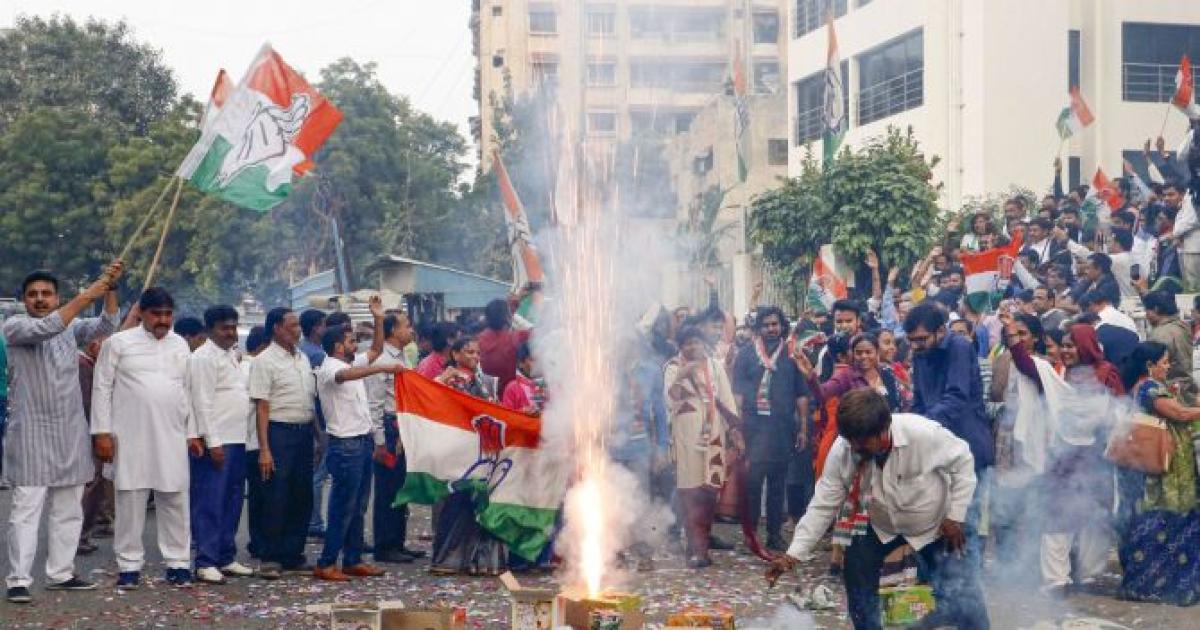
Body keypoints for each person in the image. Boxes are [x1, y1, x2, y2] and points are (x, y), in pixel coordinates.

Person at [766, 390, 988, 630]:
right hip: (880, 524)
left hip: (933, 524)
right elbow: (822, 504)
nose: (855, 448)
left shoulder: (922, 434)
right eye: (851, 440)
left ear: (884, 429)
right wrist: (793, 554)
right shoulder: (843, 450)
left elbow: (963, 461)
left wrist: (955, 516)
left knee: (964, 593)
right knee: (857, 579)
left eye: (862, 442)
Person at [3, 262, 122, 604]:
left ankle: (61, 573)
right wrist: (88, 294)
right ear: (24, 300)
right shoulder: (15, 326)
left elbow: (107, 325)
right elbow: (49, 327)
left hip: (69, 431)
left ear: (57, 297)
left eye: (47, 294)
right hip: (30, 433)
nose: (40, 299)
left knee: (69, 508)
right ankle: (18, 580)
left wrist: (111, 288)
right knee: (26, 511)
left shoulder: (71, 328)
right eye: (33, 294)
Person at [91, 287, 199, 590]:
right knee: (130, 498)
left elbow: (187, 390)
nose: (163, 320)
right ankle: (129, 566)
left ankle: (178, 564)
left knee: (175, 498)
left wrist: (193, 433)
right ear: (142, 314)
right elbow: (102, 387)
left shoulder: (180, 344)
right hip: (130, 434)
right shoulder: (119, 343)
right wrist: (101, 432)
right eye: (156, 314)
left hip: (172, 434)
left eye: (168, 314)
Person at [314, 297, 400, 582]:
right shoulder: (328, 367)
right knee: (343, 506)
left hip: (361, 442)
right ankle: (327, 562)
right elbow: (348, 374)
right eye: (351, 341)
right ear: (338, 346)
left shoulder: (350, 361)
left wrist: (378, 319)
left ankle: (352, 559)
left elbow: (376, 350)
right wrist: (383, 368)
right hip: (345, 444)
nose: (356, 345)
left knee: (359, 505)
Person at [1117, 341, 1200, 605]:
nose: (1168, 366)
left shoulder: (1151, 386)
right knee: (1161, 525)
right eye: (1164, 362)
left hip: (1165, 472)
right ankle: (1158, 586)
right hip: (1159, 478)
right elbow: (1180, 414)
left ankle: (1162, 585)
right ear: (1149, 365)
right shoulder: (1148, 388)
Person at [186, 305, 255, 584]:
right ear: (210, 330)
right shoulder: (203, 358)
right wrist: (212, 442)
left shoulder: (231, 355)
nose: (230, 333)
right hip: (217, 441)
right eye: (224, 328)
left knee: (233, 500)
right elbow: (201, 402)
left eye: (233, 327)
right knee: (210, 501)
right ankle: (205, 561)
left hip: (237, 438)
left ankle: (226, 556)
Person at [732, 306, 810, 551]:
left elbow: (801, 394)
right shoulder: (745, 355)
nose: (771, 329)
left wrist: (803, 428)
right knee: (752, 484)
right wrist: (736, 429)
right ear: (758, 328)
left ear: (782, 326)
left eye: (775, 324)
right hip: (753, 428)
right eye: (766, 325)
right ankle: (751, 536)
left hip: (782, 428)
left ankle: (774, 535)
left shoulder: (792, 354)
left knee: (778, 484)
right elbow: (737, 395)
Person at [249, 307, 318, 580]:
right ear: (277, 328)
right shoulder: (264, 361)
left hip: (303, 431)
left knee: (302, 493)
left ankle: (293, 553)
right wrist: (265, 449)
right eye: (292, 326)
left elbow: (308, 400)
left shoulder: (302, 358)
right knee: (276, 494)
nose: (298, 330)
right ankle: (270, 556)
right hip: (278, 432)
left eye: (298, 325)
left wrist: (318, 436)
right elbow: (262, 406)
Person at [430, 337, 506, 575]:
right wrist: (444, 379)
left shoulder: (484, 382)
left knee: (479, 505)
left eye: (477, 353)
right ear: (455, 354)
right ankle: (447, 559)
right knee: (455, 504)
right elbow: (431, 396)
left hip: (482, 451)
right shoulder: (448, 380)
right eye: (469, 352)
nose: (475, 357)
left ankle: (478, 561)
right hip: (456, 450)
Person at [664, 325, 737, 568]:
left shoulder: (715, 366)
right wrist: (683, 375)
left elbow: (726, 399)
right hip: (686, 439)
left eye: (696, 342)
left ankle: (702, 546)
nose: (692, 347)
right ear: (680, 346)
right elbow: (670, 400)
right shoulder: (673, 367)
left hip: (714, 436)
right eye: (687, 343)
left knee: (709, 492)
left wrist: (735, 430)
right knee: (690, 493)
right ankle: (695, 548)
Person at [368, 311, 426, 564]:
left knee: (401, 487)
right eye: (406, 325)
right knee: (388, 489)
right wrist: (379, 441)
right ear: (393, 330)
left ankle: (397, 542)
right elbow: (375, 403)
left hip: (402, 426)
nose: (411, 330)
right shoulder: (382, 360)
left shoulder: (403, 357)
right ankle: (385, 545)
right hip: (389, 428)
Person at [77, 333, 114, 556]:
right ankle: (80, 535)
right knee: (91, 484)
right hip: (91, 433)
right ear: (93, 345)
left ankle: (86, 531)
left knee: (97, 483)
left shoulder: (89, 364)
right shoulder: (84, 366)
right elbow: (87, 403)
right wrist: (99, 433)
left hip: (94, 432)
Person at [241, 326, 269, 561]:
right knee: (261, 496)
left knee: (255, 496)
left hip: (244, 440)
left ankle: (257, 541)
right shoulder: (254, 368)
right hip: (254, 441)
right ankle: (259, 542)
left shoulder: (241, 366)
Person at [1143, 290, 1194, 397]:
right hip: (1188, 387)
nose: (1146, 315)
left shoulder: (1159, 335)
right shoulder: (1183, 326)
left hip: (1170, 391)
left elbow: (1152, 368)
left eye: (1147, 310)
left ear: (1156, 309)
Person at [477, 298, 530, 395]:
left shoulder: (480, 339)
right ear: (507, 316)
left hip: (488, 394)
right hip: (513, 393)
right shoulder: (515, 338)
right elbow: (537, 330)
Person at [1080, 291, 1140, 369]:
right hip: (1135, 358)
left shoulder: (1099, 320)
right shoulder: (1124, 316)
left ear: (1091, 305)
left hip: (1118, 363)